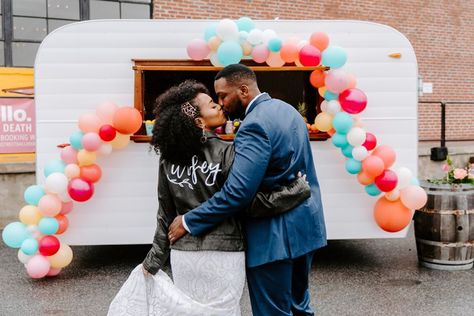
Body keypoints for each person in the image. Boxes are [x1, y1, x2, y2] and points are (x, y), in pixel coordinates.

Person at [108, 80, 310, 316]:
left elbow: (165, 215)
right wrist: (296, 190)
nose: (220, 106)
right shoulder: (228, 152)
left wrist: (152, 262)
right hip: (225, 253)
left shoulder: (167, 160)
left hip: (183, 254)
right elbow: (248, 204)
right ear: (199, 122)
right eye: (213, 106)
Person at [169, 64, 327, 316]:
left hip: (274, 239)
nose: (221, 103)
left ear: (243, 90)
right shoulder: (288, 111)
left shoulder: (253, 125)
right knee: (299, 307)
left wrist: (188, 220)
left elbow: (237, 192)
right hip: (306, 227)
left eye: (223, 95)